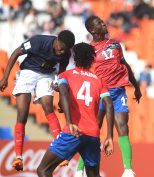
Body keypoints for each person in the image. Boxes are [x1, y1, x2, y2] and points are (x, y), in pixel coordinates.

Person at [76, 16, 142, 177]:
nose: (103, 24)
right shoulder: (89, 50)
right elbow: (82, 73)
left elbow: (124, 64)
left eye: (102, 21)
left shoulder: (115, 44)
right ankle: (79, 169)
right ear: (92, 30)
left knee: (123, 126)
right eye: (99, 23)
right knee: (93, 129)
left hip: (119, 90)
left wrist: (136, 86)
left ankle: (127, 170)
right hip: (100, 92)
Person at [0, 30, 75, 171]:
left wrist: (61, 92)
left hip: (46, 76)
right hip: (27, 72)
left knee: (48, 107)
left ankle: (60, 151)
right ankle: (18, 157)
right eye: (62, 48)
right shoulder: (38, 41)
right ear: (57, 40)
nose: (62, 51)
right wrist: (5, 78)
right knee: (22, 112)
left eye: (66, 50)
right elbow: (16, 52)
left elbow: (62, 71)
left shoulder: (66, 53)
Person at [37, 42, 115, 177]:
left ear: (75, 57)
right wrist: (109, 136)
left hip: (73, 131)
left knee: (43, 170)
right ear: (92, 59)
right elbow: (109, 105)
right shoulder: (99, 80)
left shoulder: (65, 75)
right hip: (93, 134)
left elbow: (64, 95)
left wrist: (70, 122)